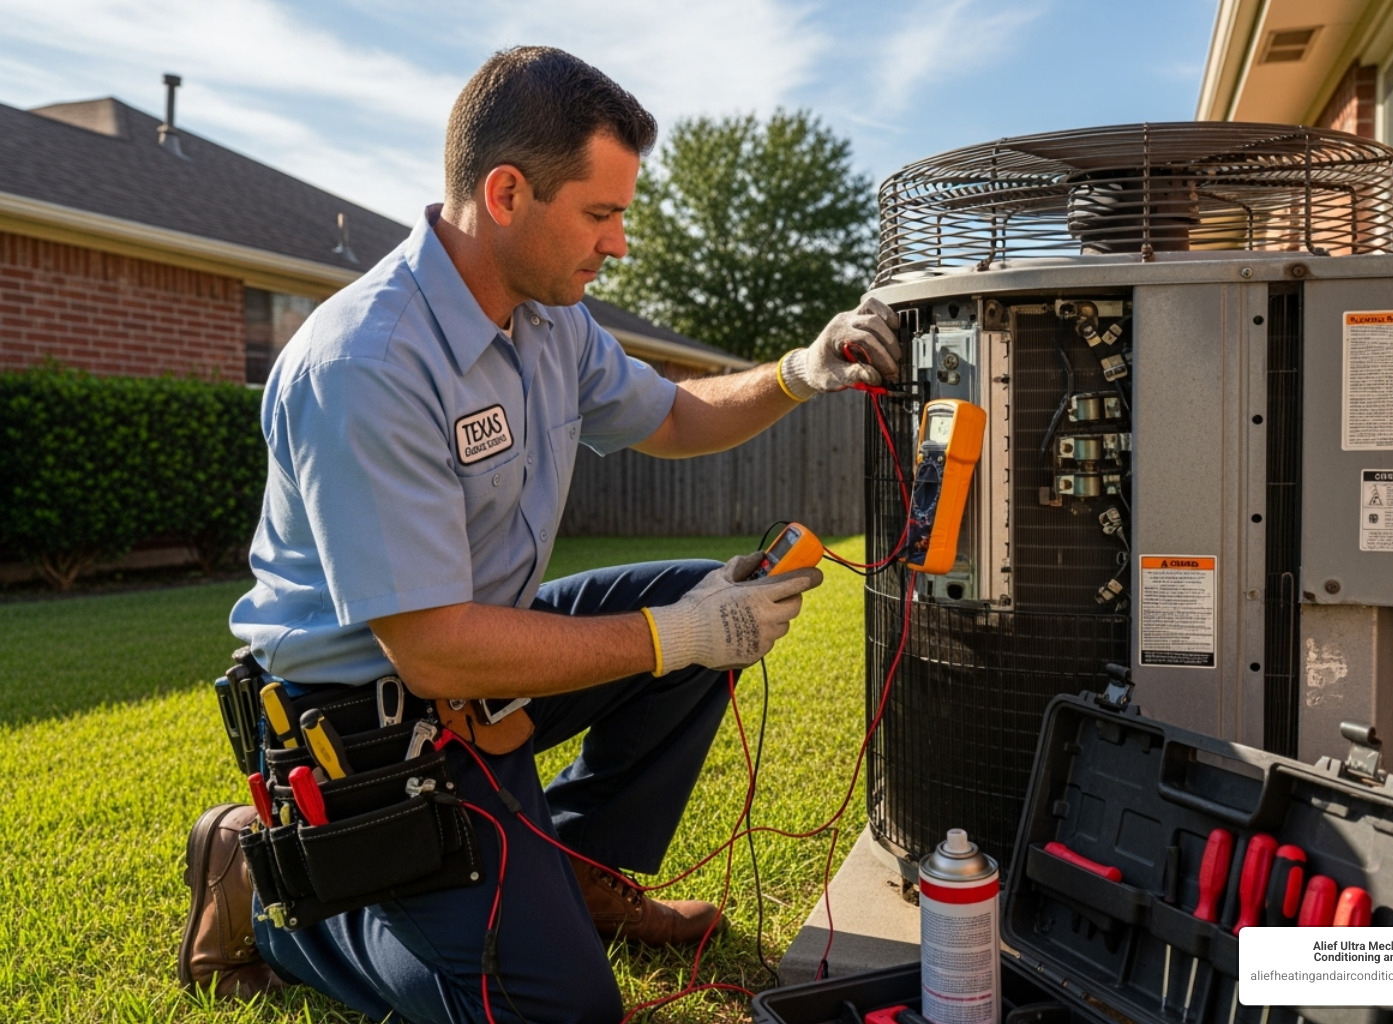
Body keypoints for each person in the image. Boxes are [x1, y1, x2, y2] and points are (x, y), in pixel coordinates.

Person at [176, 45, 901, 1024]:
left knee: (690, 596)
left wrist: (797, 372)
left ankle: (575, 866)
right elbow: (430, 649)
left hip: (479, 655)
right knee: (560, 1011)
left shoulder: (549, 321)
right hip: (363, 714)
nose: (620, 245)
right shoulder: (369, 364)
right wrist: (680, 634)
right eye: (601, 215)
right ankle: (277, 912)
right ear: (507, 192)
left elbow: (676, 418)